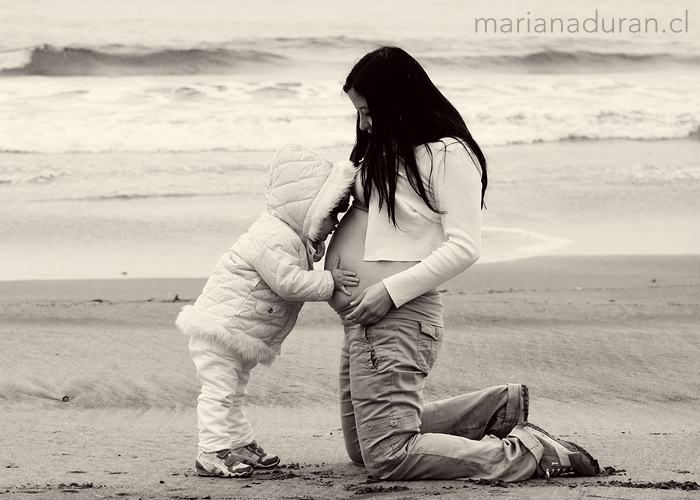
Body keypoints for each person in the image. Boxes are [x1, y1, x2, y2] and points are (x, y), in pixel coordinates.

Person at [324, 46, 599, 481]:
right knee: (363, 447)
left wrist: (386, 293)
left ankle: (529, 454)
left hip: (396, 314)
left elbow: (464, 247)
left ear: (398, 100)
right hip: (363, 319)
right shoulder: (383, 152)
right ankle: (497, 408)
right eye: (357, 112)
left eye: (369, 110)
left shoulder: (448, 154)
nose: (363, 123)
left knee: (388, 455)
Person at [176, 144, 359, 478]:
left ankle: (240, 443)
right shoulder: (273, 236)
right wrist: (329, 281)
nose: (334, 224)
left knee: (234, 393)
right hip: (220, 330)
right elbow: (288, 283)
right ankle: (211, 452)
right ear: (311, 208)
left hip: (240, 333)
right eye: (333, 215)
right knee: (218, 393)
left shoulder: (289, 235)